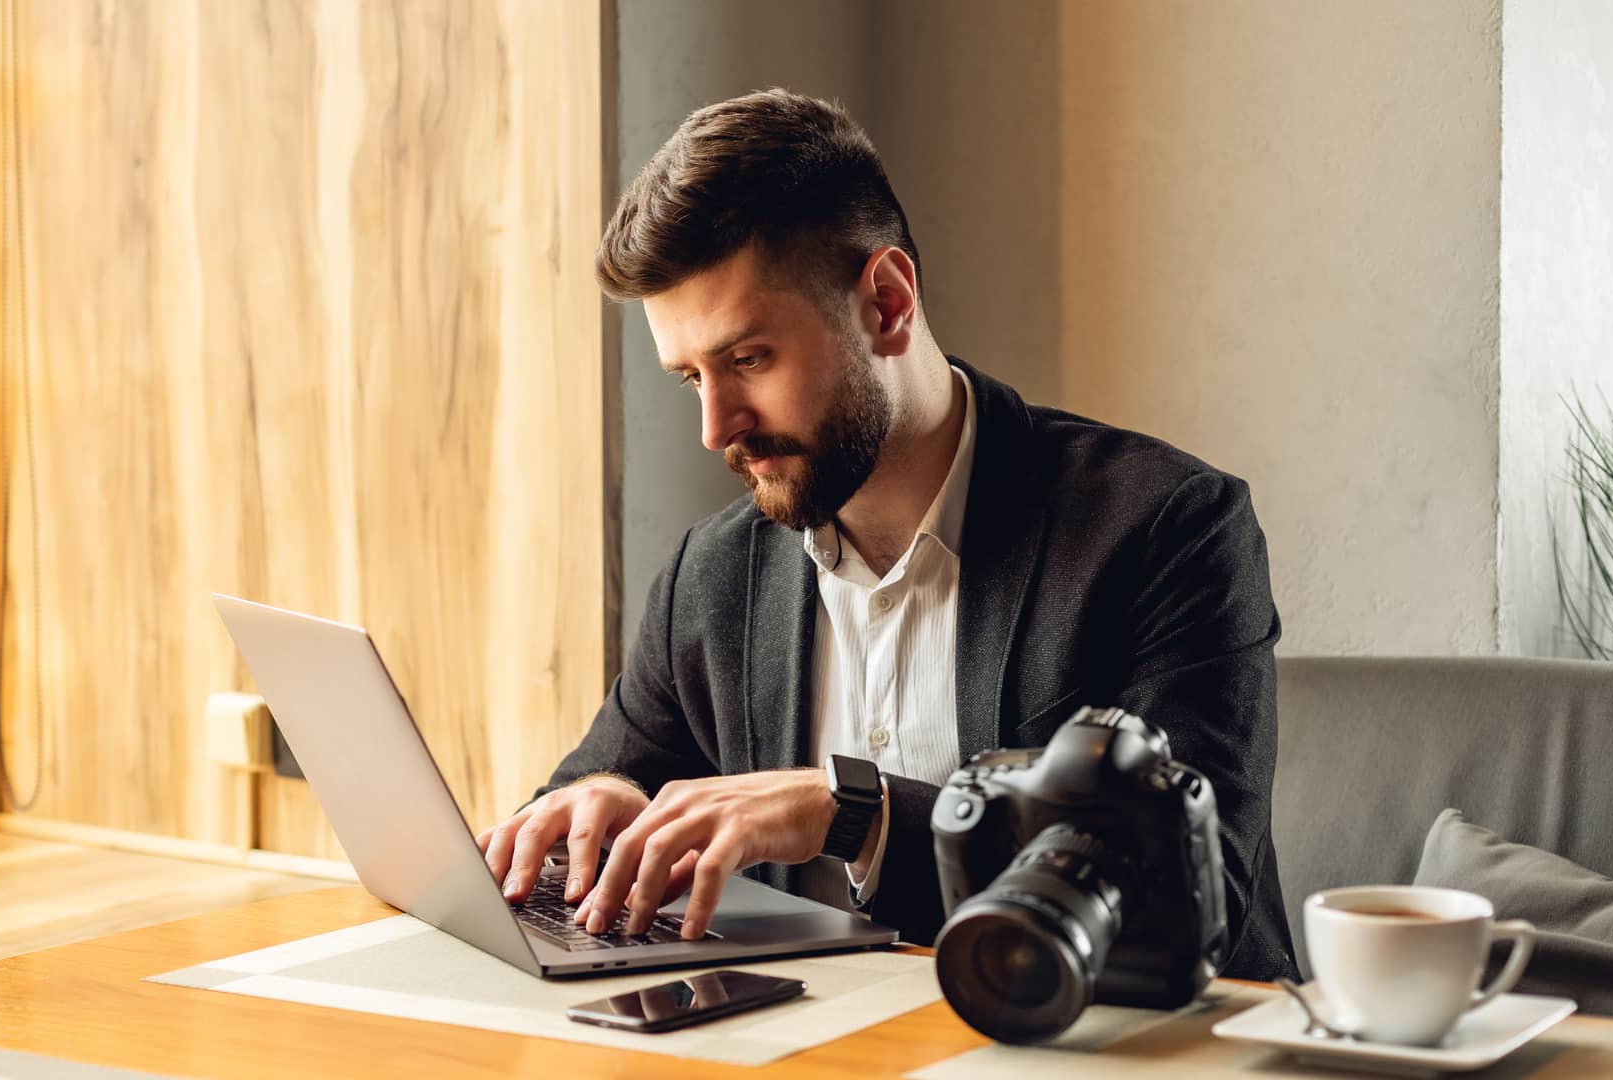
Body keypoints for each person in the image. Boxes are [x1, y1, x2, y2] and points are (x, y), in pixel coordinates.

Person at [475, 88, 1297, 980]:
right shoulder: (709, 578)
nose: (716, 427)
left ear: (888, 301)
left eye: (749, 359)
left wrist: (853, 812)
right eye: (690, 379)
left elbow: (1184, 896)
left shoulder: (1161, 530)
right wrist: (599, 799)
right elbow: (607, 779)